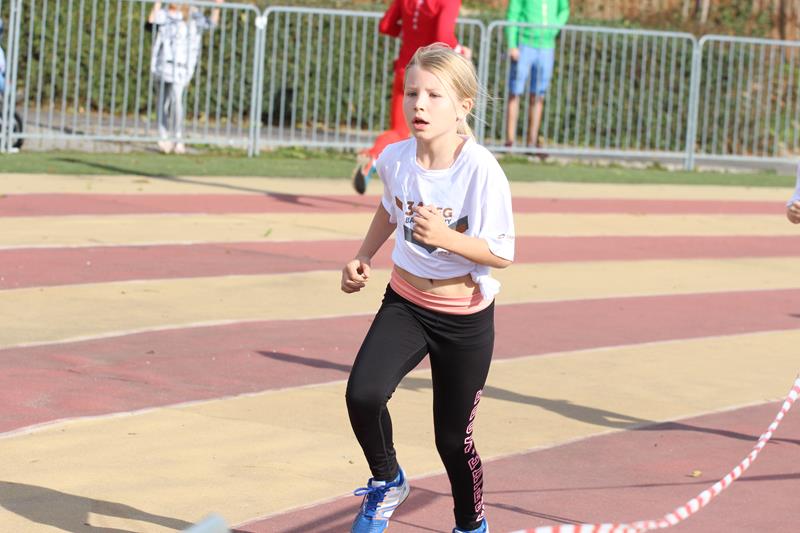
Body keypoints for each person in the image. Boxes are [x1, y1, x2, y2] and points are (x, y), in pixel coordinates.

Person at [341, 44, 515, 533]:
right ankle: (387, 481)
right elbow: (390, 207)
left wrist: (446, 237)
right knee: (363, 396)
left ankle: (471, 524)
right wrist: (363, 256)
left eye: (434, 95)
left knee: (452, 441)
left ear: (462, 107)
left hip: (463, 320)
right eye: (411, 92)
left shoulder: (480, 169)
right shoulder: (395, 158)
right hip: (406, 302)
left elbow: (502, 252)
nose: (419, 104)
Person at [351, 0, 471, 195]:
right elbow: (443, 36)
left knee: (399, 131)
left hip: (405, 72)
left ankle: (373, 157)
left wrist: (408, 33)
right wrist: (460, 51)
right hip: (430, 77)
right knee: (441, 133)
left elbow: (385, 26)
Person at [148, 0, 222, 154]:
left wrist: (217, 6)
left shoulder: (194, 16)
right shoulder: (165, 14)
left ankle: (178, 137)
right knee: (162, 102)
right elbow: (151, 21)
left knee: (177, 102)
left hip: (181, 66)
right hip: (162, 64)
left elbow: (211, 24)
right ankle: (163, 137)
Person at [505, 0, 569, 156]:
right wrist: (512, 44)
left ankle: (531, 142)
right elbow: (513, 14)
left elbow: (564, 9)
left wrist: (554, 28)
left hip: (546, 46)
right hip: (524, 43)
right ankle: (510, 141)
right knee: (515, 93)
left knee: (539, 95)